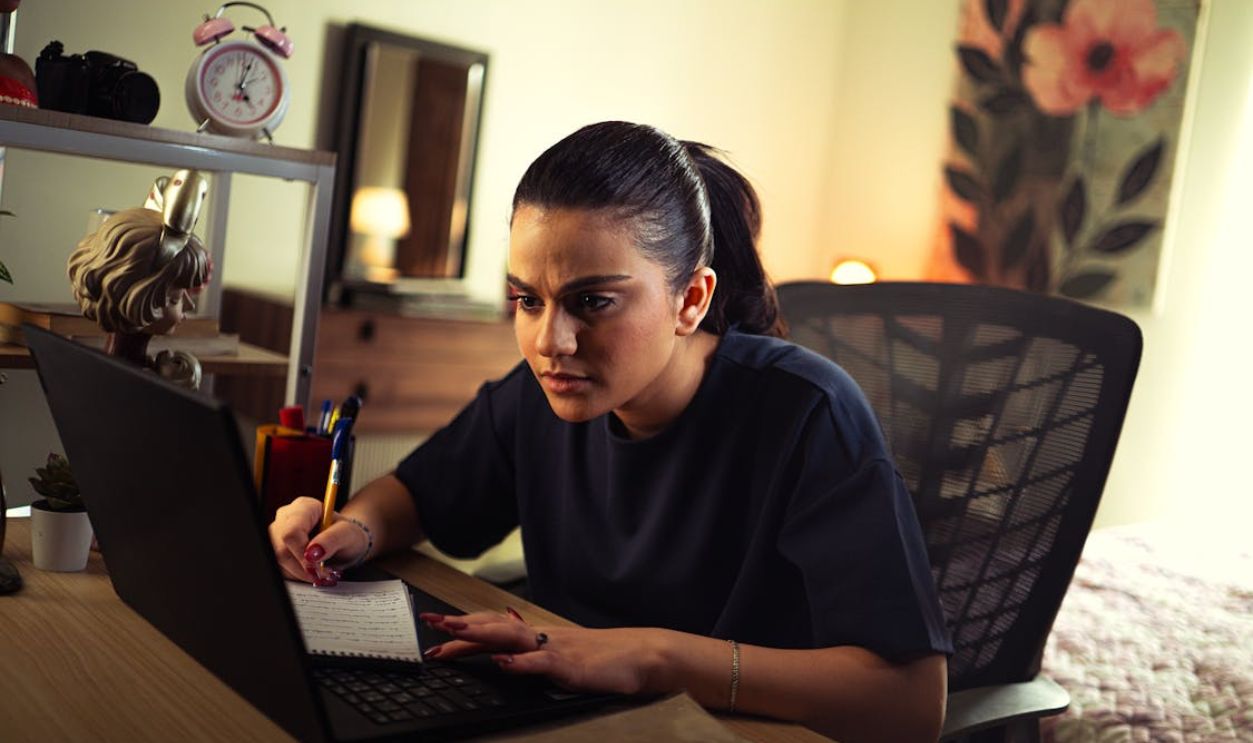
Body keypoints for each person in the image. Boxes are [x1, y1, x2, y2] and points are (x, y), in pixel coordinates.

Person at [270, 121, 951, 741]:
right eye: (526, 300)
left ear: (690, 300)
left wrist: (652, 655)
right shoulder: (544, 391)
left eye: (591, 302)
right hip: (583, 712)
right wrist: (344, 532)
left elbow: (910, 701)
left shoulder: (808, 412)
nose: (549, 342)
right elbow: (416, 493)